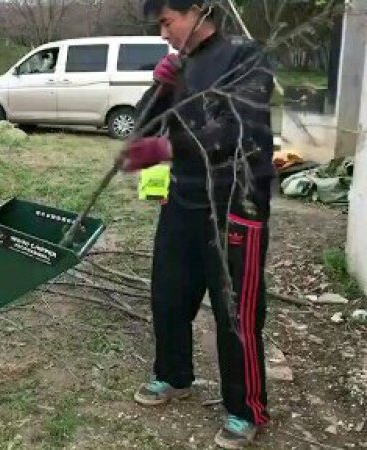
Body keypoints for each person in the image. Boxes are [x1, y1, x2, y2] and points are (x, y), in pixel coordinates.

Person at [120, 1, 276, 448]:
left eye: (167, 22)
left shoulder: (246, 58)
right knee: (168, 293)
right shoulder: (179, 65)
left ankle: (245, 409)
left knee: (235, 312)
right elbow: (142, 126)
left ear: (197, 12)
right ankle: (173, 374)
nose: (163, 33)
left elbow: (235, 132)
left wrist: (168, 150)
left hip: (235, 201)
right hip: (184, 198)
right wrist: (157, 85)